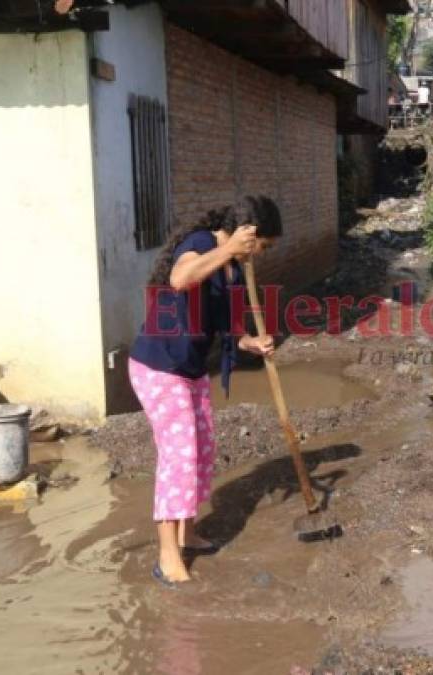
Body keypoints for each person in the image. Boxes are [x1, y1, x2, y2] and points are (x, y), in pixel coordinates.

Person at [128, 197, 282, 586]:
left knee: (202, 448)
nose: (260, 253)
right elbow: (180, 279)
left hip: (190, 368)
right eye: (263, 245)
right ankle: (167, 557)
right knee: (179, 457)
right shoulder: (199, 242)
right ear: (247, 234)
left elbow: (224, 325)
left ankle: (187, 533)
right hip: (159, 366)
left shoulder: (231, 268)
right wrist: (227, 248)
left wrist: (249, 343)